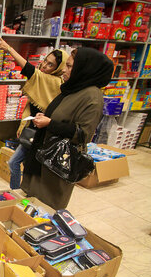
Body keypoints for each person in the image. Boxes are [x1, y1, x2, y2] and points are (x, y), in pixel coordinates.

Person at [21, 47, 113, 209]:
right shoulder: (72, 88)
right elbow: (59, 115)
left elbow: (83, 134)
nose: (64, 69)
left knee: (46, 207)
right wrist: (45, 118)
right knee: (32, 204)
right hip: (43, 154)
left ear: (84, 69)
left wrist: (50, 124)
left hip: (57, 163)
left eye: (70, 66)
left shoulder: (92, 96)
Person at [0, 37, 69, 189]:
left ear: (60, 68)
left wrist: (9, 49)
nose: (44, 66)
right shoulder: (46, 80)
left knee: (17, 163)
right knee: (19, 163)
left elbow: (28, 68)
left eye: (51, 65)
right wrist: (23, 127)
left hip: (42, 135)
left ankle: (18, 191)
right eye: (45, 61)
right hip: (31, 130)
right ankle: (18, 191)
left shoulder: (53, 82)